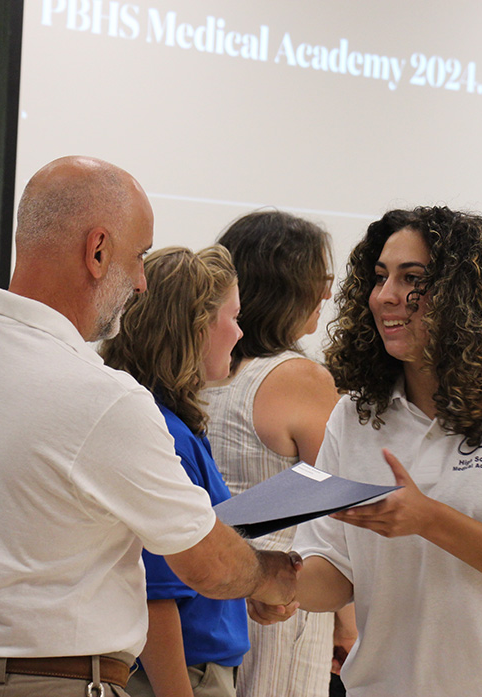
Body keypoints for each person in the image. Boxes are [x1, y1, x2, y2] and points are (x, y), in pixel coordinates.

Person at [0, 156, 300, 697]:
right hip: (50, 684)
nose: (140, 282)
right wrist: (273, 575)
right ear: (98, 250)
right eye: (139, 258)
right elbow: (208, 566)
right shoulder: (102, 398)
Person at [250, 206, 482, 696]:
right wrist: (276, 587)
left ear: (466, 297)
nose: (386, 296)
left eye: (412, 278)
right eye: (380, 277)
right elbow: (337, 571)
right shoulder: (356, 415)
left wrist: (429, 519)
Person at [201, 210, 347, 697]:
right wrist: (345, 618)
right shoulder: (299, 378)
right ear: (288, 287)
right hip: (279, 603)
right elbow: (337, 508)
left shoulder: (194, 371)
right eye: (320, 279)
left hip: (204, 596)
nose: (328, 295)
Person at [101, 245, 246, 697]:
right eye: (233, 316)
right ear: (196, 328)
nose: (240, 333)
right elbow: (156, 594)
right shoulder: (165, 434)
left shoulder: (175, 424)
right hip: (182, 676)